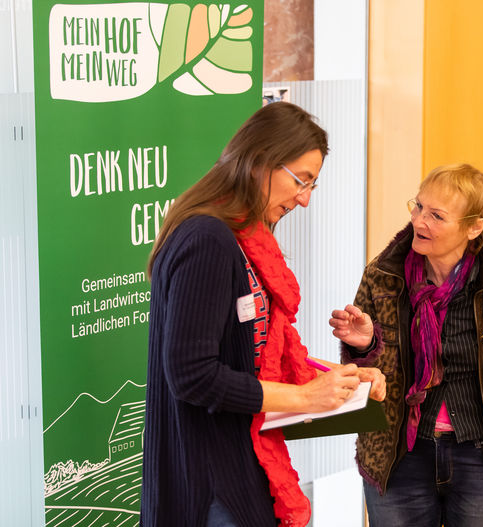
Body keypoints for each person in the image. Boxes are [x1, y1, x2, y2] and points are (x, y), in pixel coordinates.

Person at [140, 102, 386, 527]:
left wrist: (341, 381)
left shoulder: (244, 239)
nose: (305, 200)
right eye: (301, 181)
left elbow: (249, 361)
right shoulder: (208, 239)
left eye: (313, 185)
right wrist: (306, 397)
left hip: (237, 467)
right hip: (208, 485)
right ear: (261, 162)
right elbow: (191, 374)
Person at [330, 163, 483, 526]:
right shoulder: (384, 275)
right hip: (399, 455)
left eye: (436, 216)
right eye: (418, 207)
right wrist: (366, 345)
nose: (419, 222)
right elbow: (366, 376)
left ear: (474, 227)